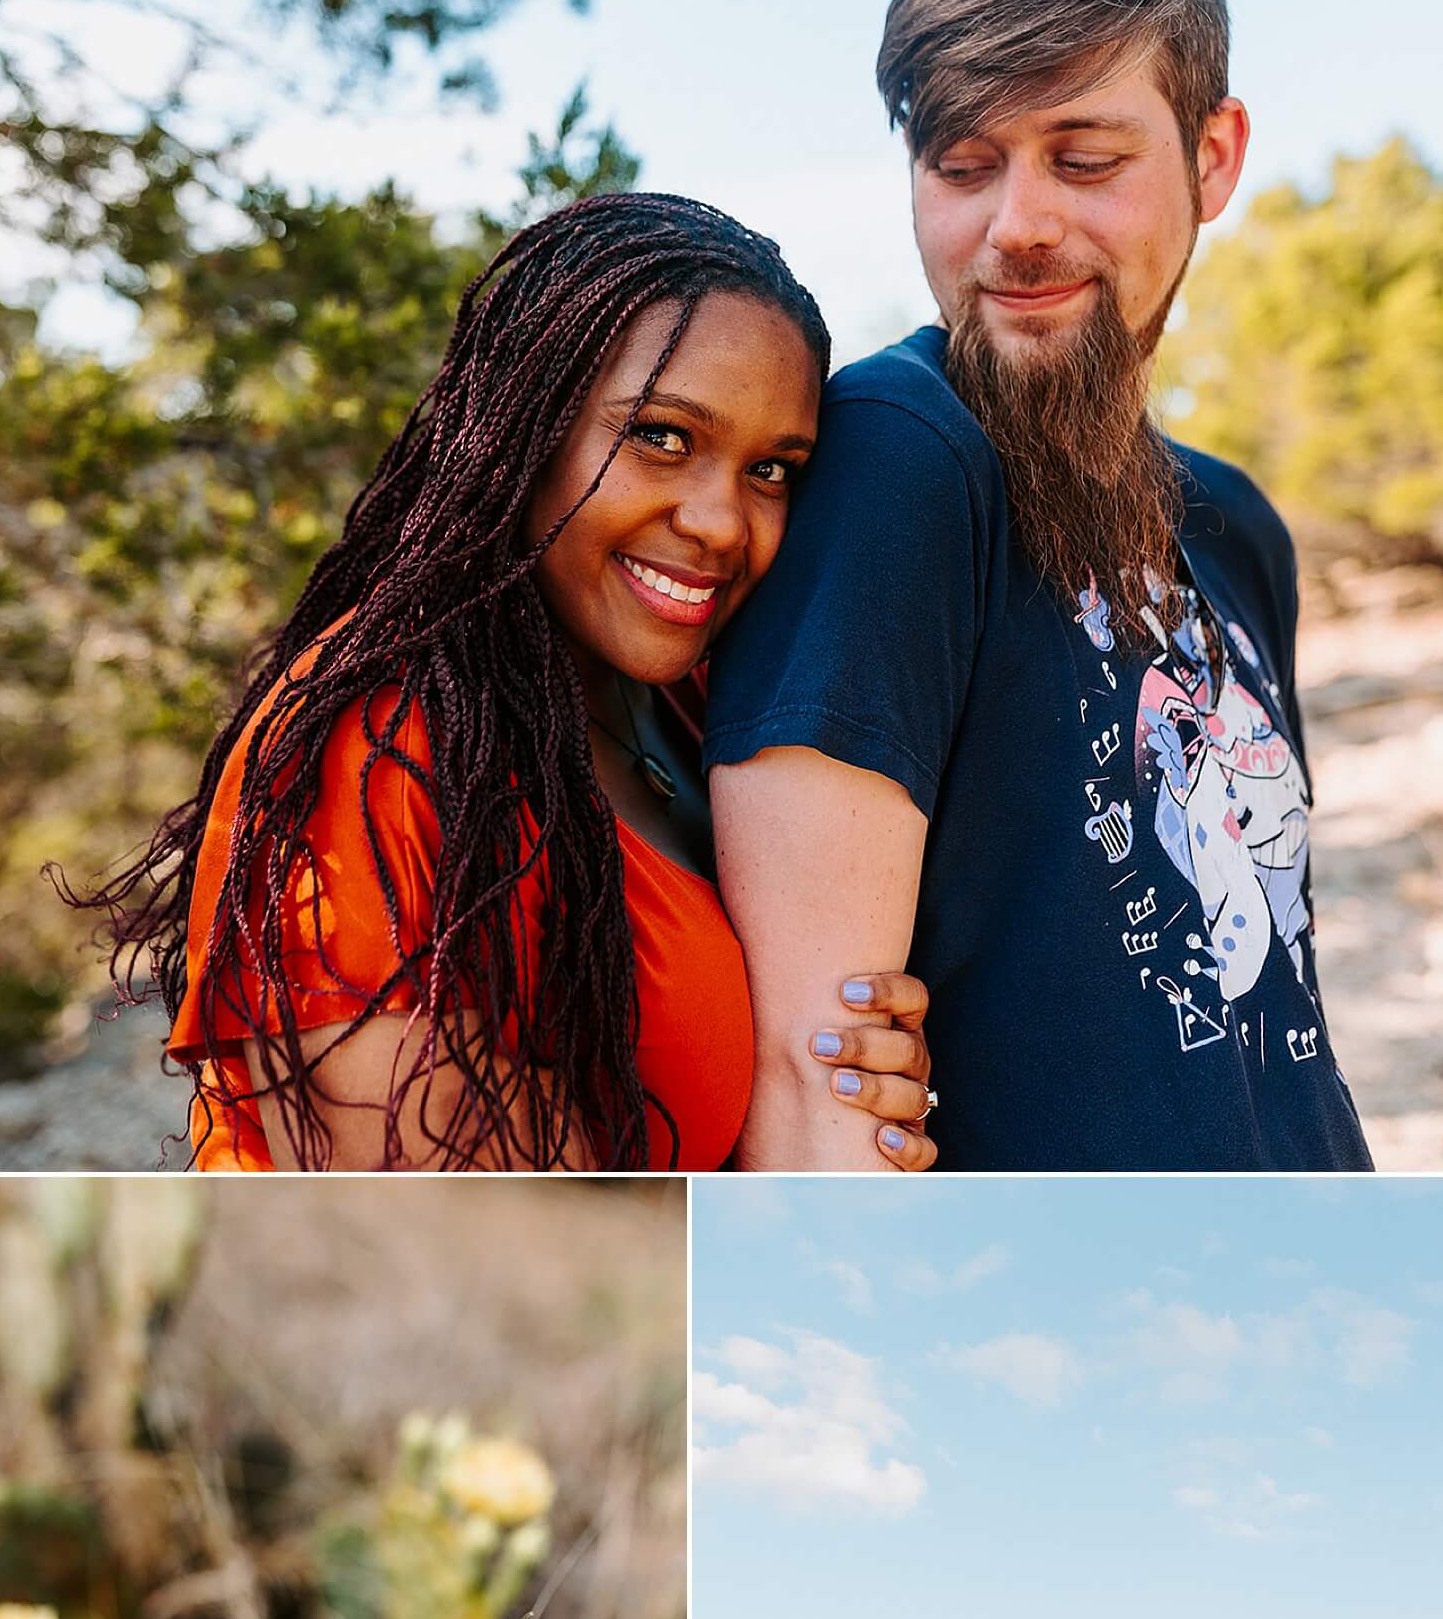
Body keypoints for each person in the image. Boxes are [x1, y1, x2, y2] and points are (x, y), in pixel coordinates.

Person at [76, 193, 938, 1171]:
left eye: (772, 470)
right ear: (521, 429)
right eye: (662, 436)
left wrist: (845, 1075)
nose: (721, 522)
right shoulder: (381, 742)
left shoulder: (682, 708)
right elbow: (474, 1250)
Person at [705, 0, 1374, 1174]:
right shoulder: (895, 464)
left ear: (1213, 158)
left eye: (1085, 157)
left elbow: (1269, 999)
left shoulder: (1239, 532)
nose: (1017, 223)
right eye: (963, 165)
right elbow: (812, 1089)